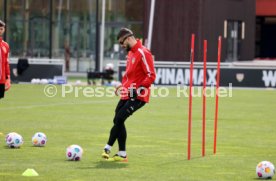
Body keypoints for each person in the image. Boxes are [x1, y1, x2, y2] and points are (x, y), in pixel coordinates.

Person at [101, 28, 156, 162]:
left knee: (119, 119)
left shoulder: (143, 52)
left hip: (139, 95)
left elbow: (151, 75)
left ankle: (107, 147)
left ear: (128, 38)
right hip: (128, 92)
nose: (121, 46)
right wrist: (122, 85)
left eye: (122, 43)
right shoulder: (130, 53)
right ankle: (122, 153)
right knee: (117, 119)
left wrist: (140, 89)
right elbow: (129, 76)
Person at [0, 20, 11, 100]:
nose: (0, 30)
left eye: (1, 29)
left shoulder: (5, 45)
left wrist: (7, 78)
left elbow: (6, 63)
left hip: (1, 79)